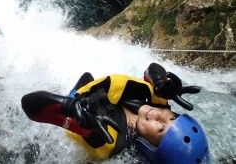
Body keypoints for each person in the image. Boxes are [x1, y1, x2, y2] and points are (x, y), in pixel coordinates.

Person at [21, 63, 210, 163]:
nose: (160, 115)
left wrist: (71, 107)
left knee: (84, 80)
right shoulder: (159, 106)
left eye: (161, 129)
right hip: (98, 92)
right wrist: (162, 79)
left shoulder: (106, 135)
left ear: (149, 146)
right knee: (88, 76)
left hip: (79, 105)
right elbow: (150, 70)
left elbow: (30, 105)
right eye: (173, 117)